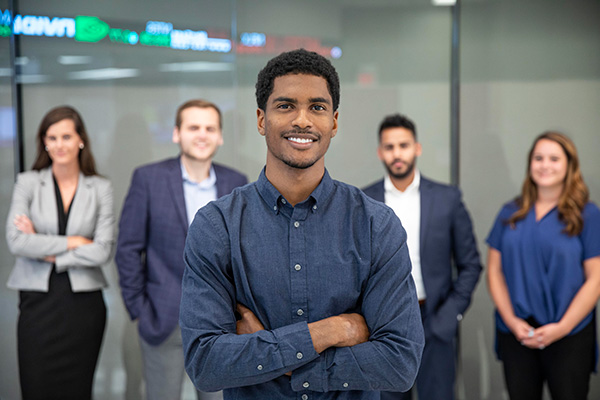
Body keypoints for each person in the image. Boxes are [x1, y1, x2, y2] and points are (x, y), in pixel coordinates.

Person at [180, 49, 425, 399]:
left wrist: (273, 354)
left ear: (334, 122)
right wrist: (332, 331)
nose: (302, 120)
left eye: (317, 107)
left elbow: (399, 364)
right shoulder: (217, 225)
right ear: (262, 119)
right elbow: (205, 364)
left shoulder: (376, 225)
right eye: (285, 106)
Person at [115, 99, 248, 400]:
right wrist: (139, 310)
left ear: (220, 136)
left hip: (222, 324)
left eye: (209, 128)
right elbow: (127, 249)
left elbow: (244, 254)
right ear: (176, 134)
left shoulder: (236, 183)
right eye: (193, 127)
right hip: (163, 318)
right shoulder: (148, 179)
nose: (202, 135)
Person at [362, 114, 482, 400]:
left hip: (434, 317)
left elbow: (471, 265)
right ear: (380, 152)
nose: (397, 154)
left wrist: (449, 316)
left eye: (403, 145)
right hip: (383, 323)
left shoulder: (447, 199)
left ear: (417, 148)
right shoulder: (363, 202)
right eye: (389, 147)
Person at [5, 106, 114, 400]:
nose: (59, 144)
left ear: (81, 140)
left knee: (78, 390)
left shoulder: (100, 188)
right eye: (51, 137)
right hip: (37, 305)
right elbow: (16, 241)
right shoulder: (28, 182)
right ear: (44, 142)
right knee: (36, 388)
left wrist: (43, 246)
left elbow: (102, 250)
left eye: (66, 136)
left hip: (84, 306)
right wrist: (75, 242)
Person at [486, 132, 600, 400]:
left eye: (554, 158)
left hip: (569, 333)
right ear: (529, 164)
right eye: (538, 158)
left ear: (569, 165)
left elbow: (595, 279)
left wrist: (562, 328)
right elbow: (494, 271)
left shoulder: (588, 215)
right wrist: (513, 322)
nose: (544, 165)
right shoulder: (510, 213)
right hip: (518, 334)